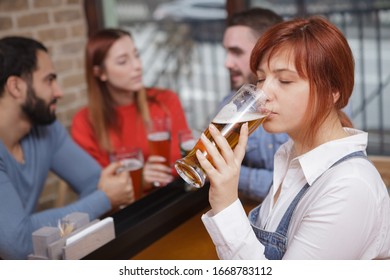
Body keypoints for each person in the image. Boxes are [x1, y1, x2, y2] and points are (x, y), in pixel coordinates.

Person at [198, 16, 390, 259]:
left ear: (333, 91)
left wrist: (226, 203)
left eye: (285, 80)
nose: (263, 93)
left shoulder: (350, 187)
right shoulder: (291, 155)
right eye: (260, 79)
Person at [0, 36, 134, 259]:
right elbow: (18, 243)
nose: (58, 91)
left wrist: (102, 195)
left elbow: (95, 182)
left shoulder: (46, 129)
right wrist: (103, 200)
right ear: (16, 86)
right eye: (49, 80)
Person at [71, 28, 190, 197]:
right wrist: (139, 179)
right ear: (100, 73)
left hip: (172, 199)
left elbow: (181, 161)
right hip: (125, 214)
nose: (137, 66)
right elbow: (96, 186)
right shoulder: (84, 121)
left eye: (136, 55)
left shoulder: (165, 100)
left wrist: (133, 179)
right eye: (123, 61)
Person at [221, 8, 289, 201]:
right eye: (226, 52)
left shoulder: (305, 101)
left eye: (236, 52)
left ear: (267, 50)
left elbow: (298, 188)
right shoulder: (229, 106)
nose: (226, 63)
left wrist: (234, 176)